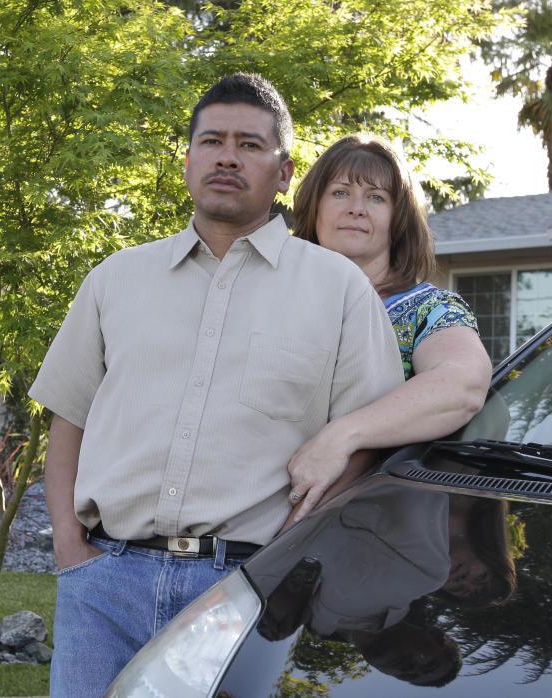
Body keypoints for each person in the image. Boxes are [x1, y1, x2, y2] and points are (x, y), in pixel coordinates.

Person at [29, 74, 405, 696]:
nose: (228, 156)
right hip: (104, 584)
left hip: (246, 592)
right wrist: (71, 547)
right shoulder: (115, 279)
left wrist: (279, 567)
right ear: (188, 159)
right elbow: (70, 417)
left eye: (250, 145)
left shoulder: (338, 290)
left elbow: (364, 445)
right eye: (212, 141)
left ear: (284, 172)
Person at [286, 134, 493, 520]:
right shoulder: (271, 299)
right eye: (340, 193)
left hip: (358, 527)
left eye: (376, 197)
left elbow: (462, 385)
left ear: (398, 220)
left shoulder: (429, 309)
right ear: (313, 208)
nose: (357, 208)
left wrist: (341, 438)